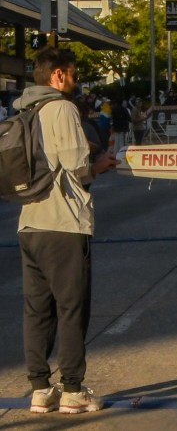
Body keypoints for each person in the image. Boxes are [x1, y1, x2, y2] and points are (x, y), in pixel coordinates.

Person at [12, 47, 119, 414]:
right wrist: (99, 164)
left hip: (30, 222)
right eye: (72, 72)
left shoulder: (27, 110)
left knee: (37, 310)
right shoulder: (62, 108)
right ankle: (73, 388)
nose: (76, 79)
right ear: (58, 75)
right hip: (64, 223)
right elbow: (77, 165)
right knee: (71, 308)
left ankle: (40, 388)